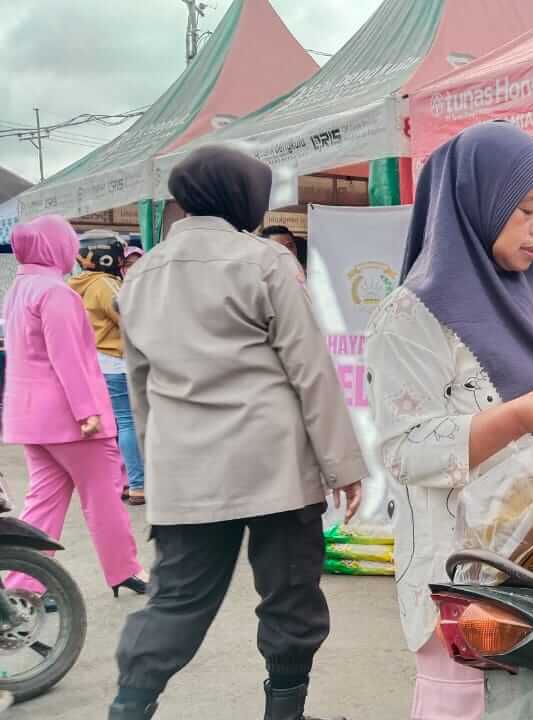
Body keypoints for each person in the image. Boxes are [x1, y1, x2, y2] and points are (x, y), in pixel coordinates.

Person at [369, 121, 533, 720]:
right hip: (465, 576)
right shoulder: (411, 315)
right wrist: (518, 417)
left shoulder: (531, 295)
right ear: (477, 201)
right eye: (525, 209)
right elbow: (404, 451)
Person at [110, 146, 366, 720]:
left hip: (185, 473)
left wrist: (158, 471)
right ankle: (284, 711)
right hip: (274, 466)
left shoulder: (139, 277)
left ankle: (129, 706)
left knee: (175, 602)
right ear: (239, 197)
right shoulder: (266, 263)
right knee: (290, 599)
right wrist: (343, 466)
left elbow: (140, 388)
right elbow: (311, 371)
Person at [1, 215, 146, 602]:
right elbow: (68, 359)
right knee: (104, 496)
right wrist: (88, 412)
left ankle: (21, 585)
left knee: (43, 502)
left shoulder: (20, 289)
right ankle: (126, 570)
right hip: (72, 419)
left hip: (30, 419)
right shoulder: (56, 293)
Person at [68, 231, 146, 505]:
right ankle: (138, 484)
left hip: (100, 360)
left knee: (116, 425)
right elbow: (130, 313)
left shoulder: (79, 283)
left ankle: (125, 482)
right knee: (128, 423)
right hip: (116, 360)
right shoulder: (104, 283)